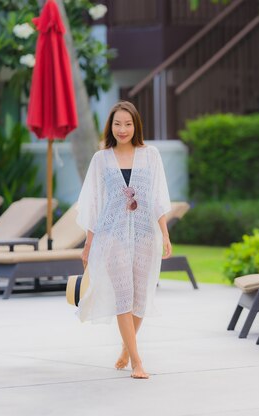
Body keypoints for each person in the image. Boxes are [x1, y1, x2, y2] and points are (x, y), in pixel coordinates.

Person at [76, 101, 172, 379]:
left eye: (128, 124)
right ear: (110, 126)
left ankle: (125, 348)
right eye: (117, 123)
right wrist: (89, 242)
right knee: (124, 296)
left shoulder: (150, 155)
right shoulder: (101, 158)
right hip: (112, 235)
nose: (122, 129)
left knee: (140, 297)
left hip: (144, 233)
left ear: (136, 126)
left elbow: (157, 197)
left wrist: (165, 233)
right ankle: (137, 361)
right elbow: (93, 203)